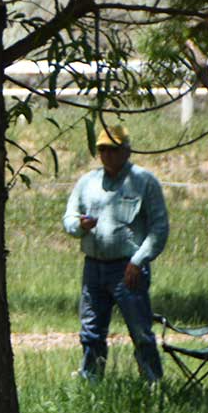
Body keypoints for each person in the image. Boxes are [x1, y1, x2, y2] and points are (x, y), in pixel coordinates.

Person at [61, 122, 168, 383]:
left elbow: (159, 228)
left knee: (140, 331)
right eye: (102, 149)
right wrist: (79, 226)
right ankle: (91, 382)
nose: (107, 154)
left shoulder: (144, 182)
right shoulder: (87, 182)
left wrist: (138, 261)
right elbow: (69, 218)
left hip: (128, 269)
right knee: (91, 331)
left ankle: (152, 384)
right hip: (93, 267)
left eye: (113, 149)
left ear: (127, 151)